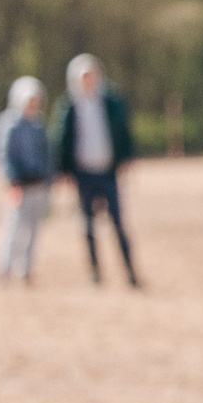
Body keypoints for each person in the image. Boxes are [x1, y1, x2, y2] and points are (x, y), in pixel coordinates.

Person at [51, 53, 140, 288]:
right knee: (88, 226)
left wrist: (126, 160)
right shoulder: (69, 107)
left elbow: (124, 133)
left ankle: (130, 273)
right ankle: (95, 274)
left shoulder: (112, 102)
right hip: (83, 174)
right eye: (85, 77)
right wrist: (65, 172)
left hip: (107, 172)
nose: (90, 81)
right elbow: (62, 141)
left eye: (93, 75)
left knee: (118, 224)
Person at [0, 77, 54, 286]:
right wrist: (12, 180)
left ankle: (26, 270)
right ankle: (4, 267)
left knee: (34, 230)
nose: (33, 105)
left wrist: (49, 181)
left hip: (38, 185)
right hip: (19, 186)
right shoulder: (9, 124)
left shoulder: (38, 125)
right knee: (14, 227)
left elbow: (47, 156)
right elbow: (3, 155)